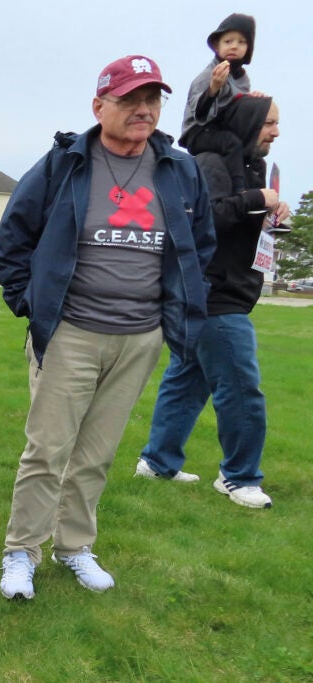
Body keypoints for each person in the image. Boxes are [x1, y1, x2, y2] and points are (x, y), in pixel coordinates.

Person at [0, 55, 216, 600]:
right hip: (70, 333)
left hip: (140, 336)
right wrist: (35, 305)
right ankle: (22, 551)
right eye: (130, 99)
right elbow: (12, 241)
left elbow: (200, 246)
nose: (144, 110)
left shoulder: (180, 169)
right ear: (99, 106)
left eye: (153, 100)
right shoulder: (64, 162)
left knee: (97, 453)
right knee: (47, 450)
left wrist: (172, 314)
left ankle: (74, 547)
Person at [137, 96, 288, 509]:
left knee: (188, 380)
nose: (276, 131)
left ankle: (157, 462)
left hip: (222, 291)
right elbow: (204, 217)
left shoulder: (250, 164)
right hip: (213, 293)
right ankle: (239, 478)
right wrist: (258, 200)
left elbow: (241, 216)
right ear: (247, 123)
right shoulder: (211, 163)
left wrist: (270, 212)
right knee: (241, 388)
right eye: (269, 123)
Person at [180, 13, 262, 194]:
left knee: (252, 151)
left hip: (220, 128)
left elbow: (236, 108)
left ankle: (259, 195)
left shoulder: (242, 78)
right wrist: (213, 89)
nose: (234, 46)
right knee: (231, 143)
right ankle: (239, 190)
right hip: (198, 132)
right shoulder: (209, 75)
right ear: (217, 46)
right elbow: (199, 114)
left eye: (241, 42)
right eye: (228, 41)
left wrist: (251, 101)